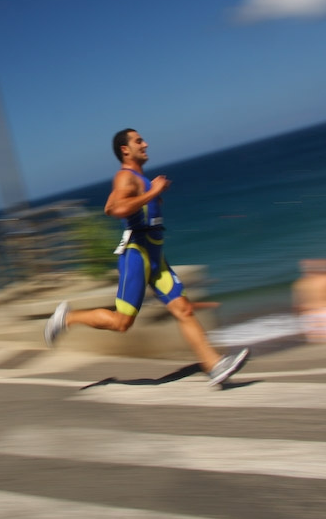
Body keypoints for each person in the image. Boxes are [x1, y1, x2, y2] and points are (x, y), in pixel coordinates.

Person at [44, 129, 249, 388]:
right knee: (121, 322)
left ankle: (214, 365)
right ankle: (68, 318)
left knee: (183, 309)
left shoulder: (137, 179)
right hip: (136, 256)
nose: (146, 144)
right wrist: (153, 193)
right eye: (138, 141)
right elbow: (117, 209)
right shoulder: (124, 177)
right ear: (125, 150)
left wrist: (150, 191)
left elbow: (109, 206)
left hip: (156, 257)